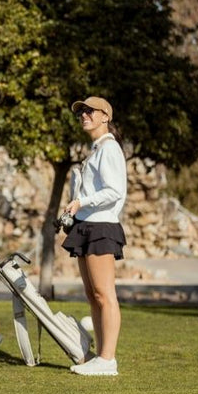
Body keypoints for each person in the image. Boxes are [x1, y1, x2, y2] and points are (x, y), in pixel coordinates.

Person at [60, 96, 127, 377]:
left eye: (90, 111)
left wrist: (81, 203)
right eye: (82, 111)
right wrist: (76, 208)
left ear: (105, 117)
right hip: (86, 225)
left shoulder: (109, 149)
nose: (84, 115)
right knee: (92, 294)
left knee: (104, 294)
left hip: (102, 226)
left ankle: (108, 359)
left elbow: (114, 190)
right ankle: (101, 357)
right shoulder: (95, 150)